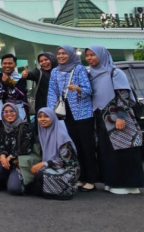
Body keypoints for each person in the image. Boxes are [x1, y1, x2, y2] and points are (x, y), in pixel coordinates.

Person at [85, 46, 143, 195]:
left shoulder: (114, 72)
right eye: (88, 55)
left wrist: (121, 116)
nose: (90, 58)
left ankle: (129, 185)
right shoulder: (91, 75)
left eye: (93, 55)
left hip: (116, 116)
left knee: (124, 151)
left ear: (102, 55)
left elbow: (123, 94)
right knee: (107, 152)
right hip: (101, 118)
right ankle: (112, 183)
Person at [47, 45, 96, 192]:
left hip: (82, 114)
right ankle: (80, 177)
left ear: (70, 55)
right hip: (64, 114)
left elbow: (89, 90)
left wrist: (78, 89)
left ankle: (91, 180)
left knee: (87, 146)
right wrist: (50, 113)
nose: (61, 56)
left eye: (64, 54)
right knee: (73, 147)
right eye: (59, 54)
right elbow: (52, 93)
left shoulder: (79, 69)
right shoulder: (55, 71)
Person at [30, 108, 80, 200]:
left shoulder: (61, 136)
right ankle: (50, 190)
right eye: (40, 117)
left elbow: (68, 162)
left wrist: (44, 163)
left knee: (40, 175)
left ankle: (67, 190)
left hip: (68, 171)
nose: (42, 119)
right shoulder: (42, 133)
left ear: (53, 118)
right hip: (53, 167)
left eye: (46, 116)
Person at [0, 103, 34, 195]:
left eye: (12, 111)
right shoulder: (3, 128)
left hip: (20, 162)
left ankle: (24, 183)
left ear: (17, 112)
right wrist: (2, 156)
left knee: (14, 189)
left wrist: (10, 157)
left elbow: (25, 147)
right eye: (5, 111)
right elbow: (2, 145)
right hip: (8, 162)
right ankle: (9, 179)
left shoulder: (25, 127)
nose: (9, 114)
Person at [0, 54, 28, 121]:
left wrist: (8, 82)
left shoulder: (20, 79)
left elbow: (21, 95)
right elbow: (1, 93)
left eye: (10, 63)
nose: (7, 65)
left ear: (15, 64)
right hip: (4, 112)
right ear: (1, 64)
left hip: (18, 112)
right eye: (5, 63)